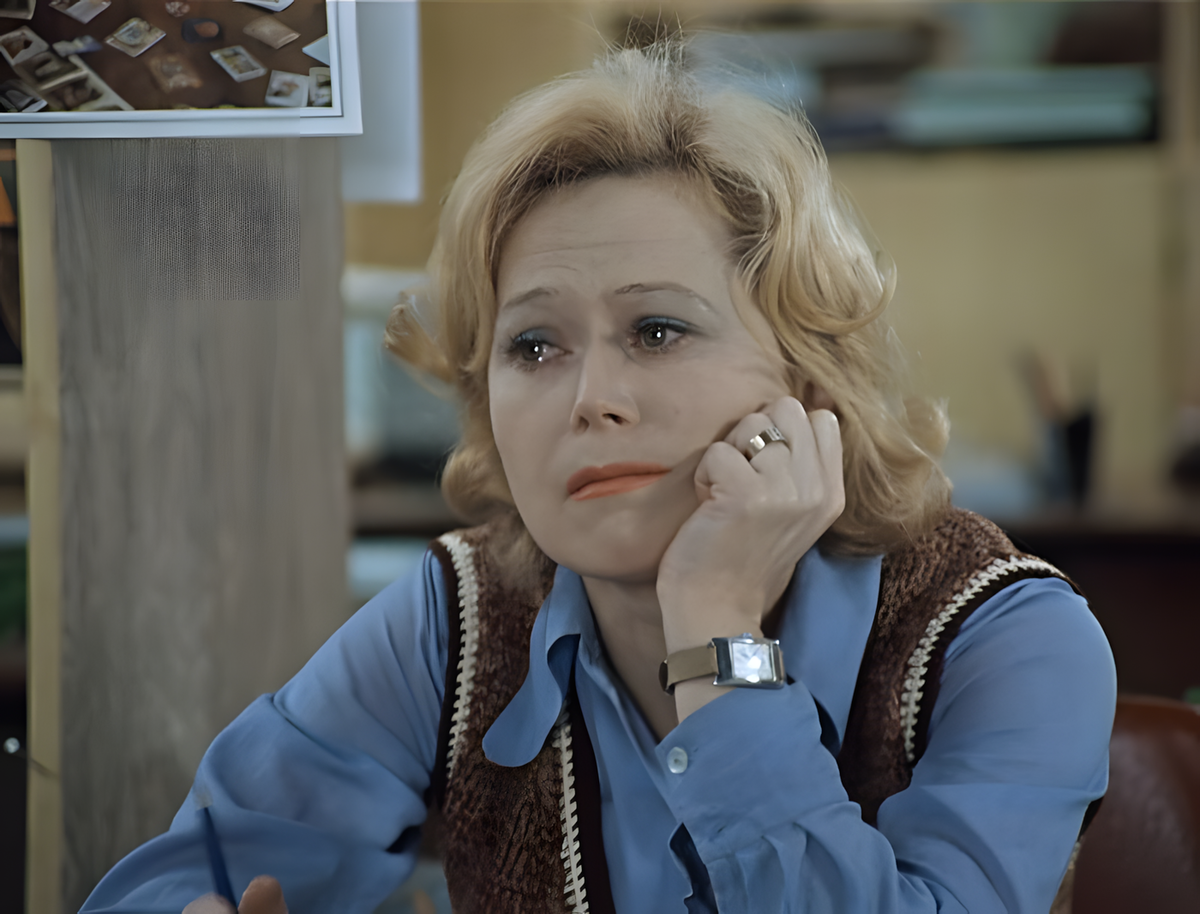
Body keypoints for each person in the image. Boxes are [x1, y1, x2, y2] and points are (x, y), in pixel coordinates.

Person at [82, 43, 1115, 914]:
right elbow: (187, 875)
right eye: (534, 345)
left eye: (656, 330)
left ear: (808, 379)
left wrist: (717, 632)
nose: (590, 398)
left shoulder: (1006, 636)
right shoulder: (458, 616)